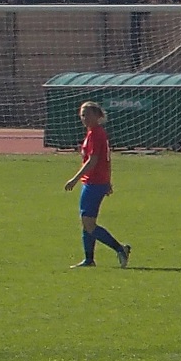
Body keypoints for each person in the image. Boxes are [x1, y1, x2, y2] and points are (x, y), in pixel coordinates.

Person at [64, 100, 131, 269]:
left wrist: (74, 179)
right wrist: (108, 181)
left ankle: (120, 249)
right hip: (95, 182)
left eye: (87, 114)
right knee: (87, 222)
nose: (84, 118)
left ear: (96, 115)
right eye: (82, 115)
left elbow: (93, 161)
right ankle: (89, 259)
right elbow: (105, 160)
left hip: (94, 183)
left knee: (88, 223)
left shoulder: (96, 134)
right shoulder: (94, 132)